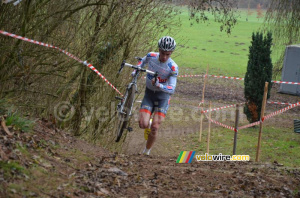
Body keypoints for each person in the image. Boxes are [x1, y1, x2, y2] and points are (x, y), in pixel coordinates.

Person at [134, 36, 178, 155]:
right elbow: (141, 62)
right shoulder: (151, 56)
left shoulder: (173, 67)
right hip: (149, 95)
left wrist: (160, 86)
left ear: (171, 53)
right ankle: (148, 122)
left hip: (162, 97)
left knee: (155, 127)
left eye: (167, 54)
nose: (164, 57)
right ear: (159, 50)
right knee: (143, 124)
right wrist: (137, 70)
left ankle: (146, 152)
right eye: (162, 53)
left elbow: (172, 88)